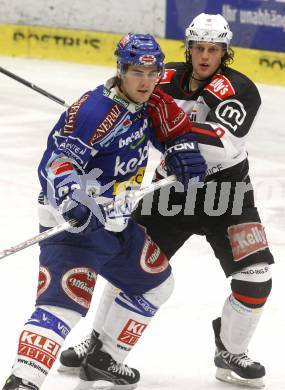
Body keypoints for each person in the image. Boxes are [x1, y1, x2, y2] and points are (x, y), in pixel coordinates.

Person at [59, 13, 274, 389]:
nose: (205, 56)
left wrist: (165, 123)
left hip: (226, 194)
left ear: (225, 52)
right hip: (170, 192)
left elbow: (224, 146)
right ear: (189, 48)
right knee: (130, 269)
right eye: (199, 48)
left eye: (214, 50)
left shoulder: (240, 88)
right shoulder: (164, 77)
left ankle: (230, 351)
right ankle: (99, 345)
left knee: (256, 277)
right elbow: (123, 95)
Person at [2, 33, 207, 390]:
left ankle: (104, 358)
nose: (145, 81)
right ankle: (23, 381)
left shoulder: (151, 101)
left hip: (116, 220)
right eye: (136, 72)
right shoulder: (93, 112)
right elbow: (57, 165)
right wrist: (72, 200)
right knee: (64, 305)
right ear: (121, 70)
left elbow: (175, 133)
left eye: (152, 72)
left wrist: (183, 152)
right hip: (74, 223)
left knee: (157, 283)